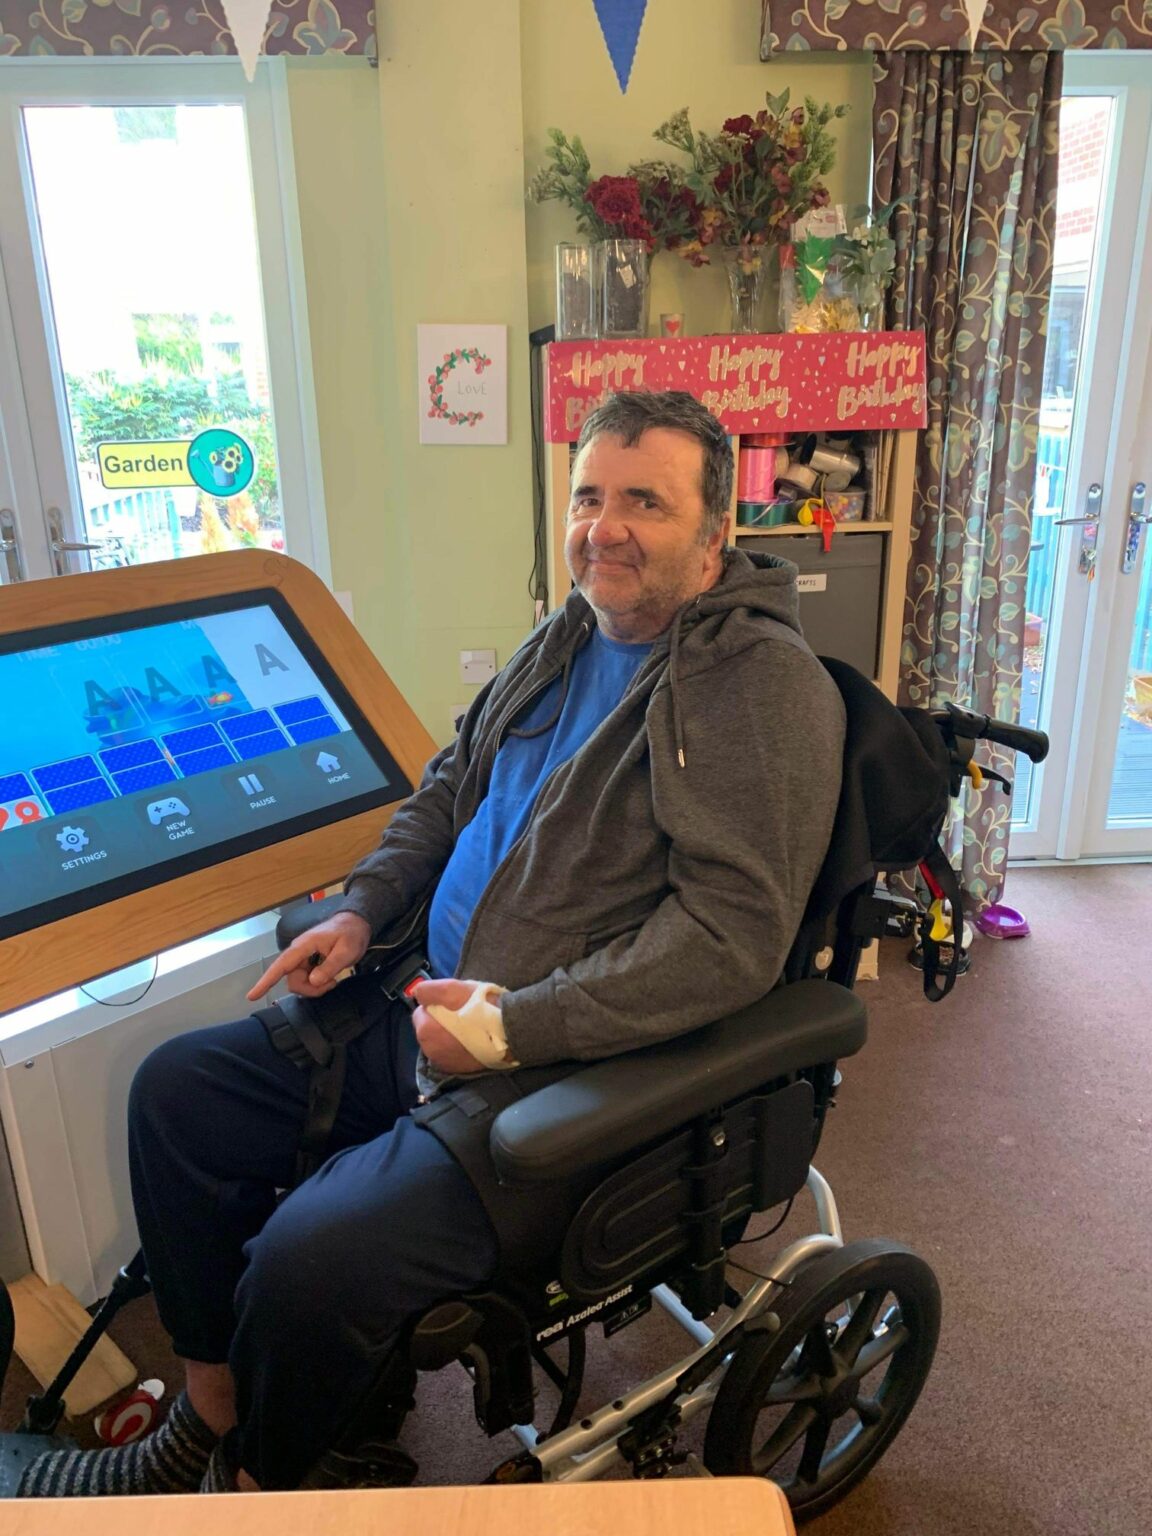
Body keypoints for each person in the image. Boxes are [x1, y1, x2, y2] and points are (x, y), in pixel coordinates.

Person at [18, 390, 846, 1498]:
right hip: (422, 1006)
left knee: (307, 1262)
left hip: (566, 1074)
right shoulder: (568, 634)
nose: (603, 528)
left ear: (714, 536)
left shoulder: (759, 686)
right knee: (176, 1094)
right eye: (588, 496)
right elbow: (449, 788)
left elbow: (727, 940)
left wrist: (511, 1029)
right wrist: (361, 909)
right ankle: (207, 1420)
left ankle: (255, 1489)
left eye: (645, 502)